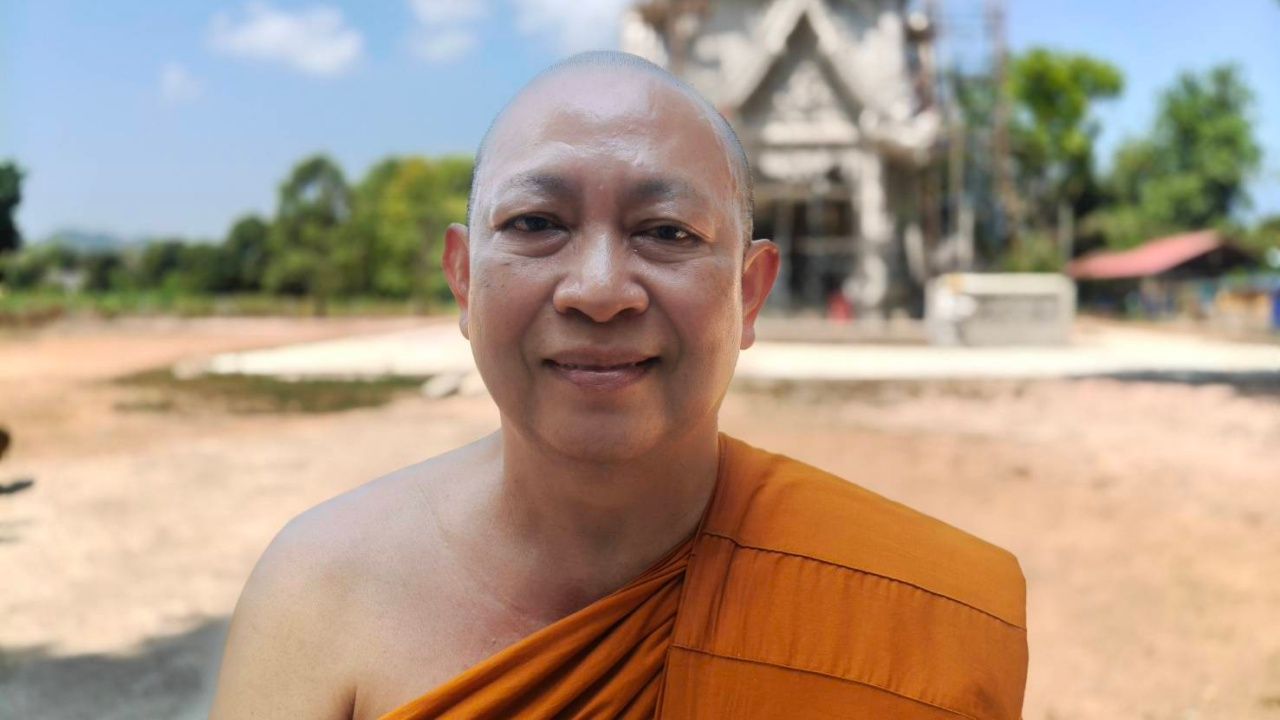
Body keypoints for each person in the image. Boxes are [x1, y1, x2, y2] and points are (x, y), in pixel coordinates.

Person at [210, 51, 1027, 720]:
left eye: (666, 232)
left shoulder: (914, 614)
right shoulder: (321, 590)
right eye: (536, 224)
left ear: (749, 294)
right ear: (463, 279)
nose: (598, 291)